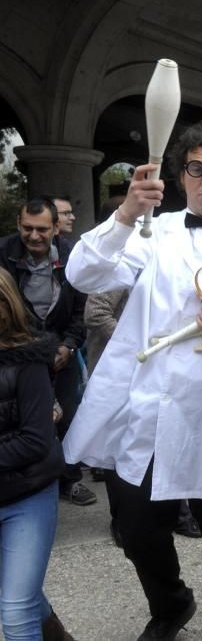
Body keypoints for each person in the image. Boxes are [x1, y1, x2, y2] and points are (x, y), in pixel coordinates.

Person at [63, 119, 202, 641]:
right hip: (148, 409)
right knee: (135, 526)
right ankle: (172, 603)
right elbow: (84, 275)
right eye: (196, 169)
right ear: (181, 176)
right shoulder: (152, 233)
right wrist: (127, 212)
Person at [0, 198, 93, 507]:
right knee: (20, 421)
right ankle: (21, 484)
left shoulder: (73, 257)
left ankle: (69, 479)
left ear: (56, 228)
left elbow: (82, 311)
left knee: (67, 417)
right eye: (27, 228)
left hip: (60, 354)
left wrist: (69, 345)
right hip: (17, 356)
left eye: (42, 229)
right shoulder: (2, 253)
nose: (34, 236)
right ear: (17, 225)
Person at [0, 267, 75, 641]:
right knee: (20, 594)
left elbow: (34, 440)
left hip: (27, 494)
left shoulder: (26, 359)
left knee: (14, 613)